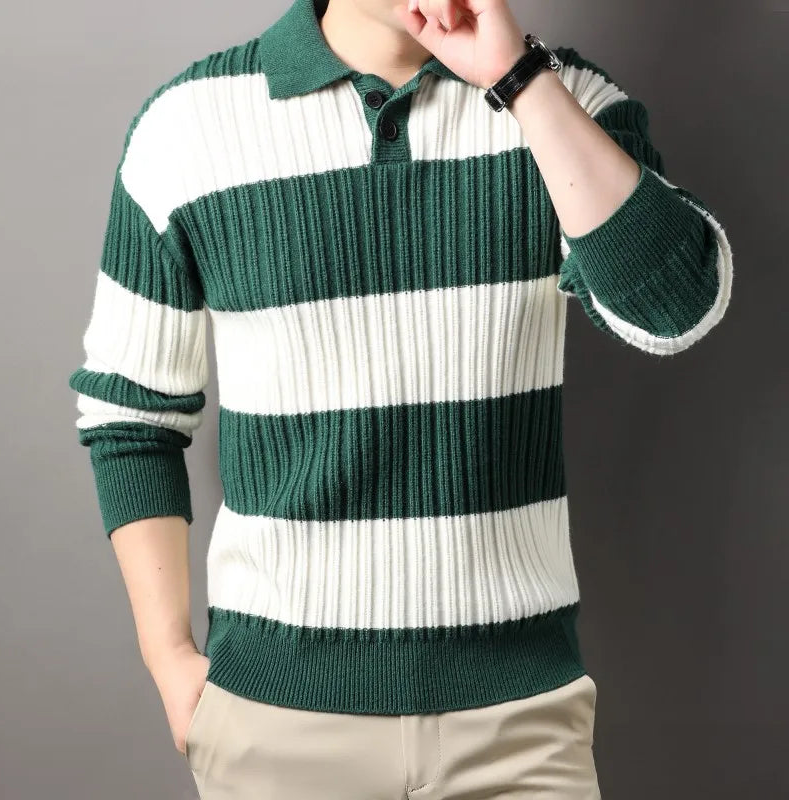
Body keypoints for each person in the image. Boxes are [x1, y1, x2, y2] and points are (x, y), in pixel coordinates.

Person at [67, 0, 733, 797]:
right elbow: (130, 415)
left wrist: (519, 80)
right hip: (278, 727)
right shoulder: (188, 125)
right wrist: (169, 657)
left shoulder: (566, 99)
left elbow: (677, 308)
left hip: (520, 726)